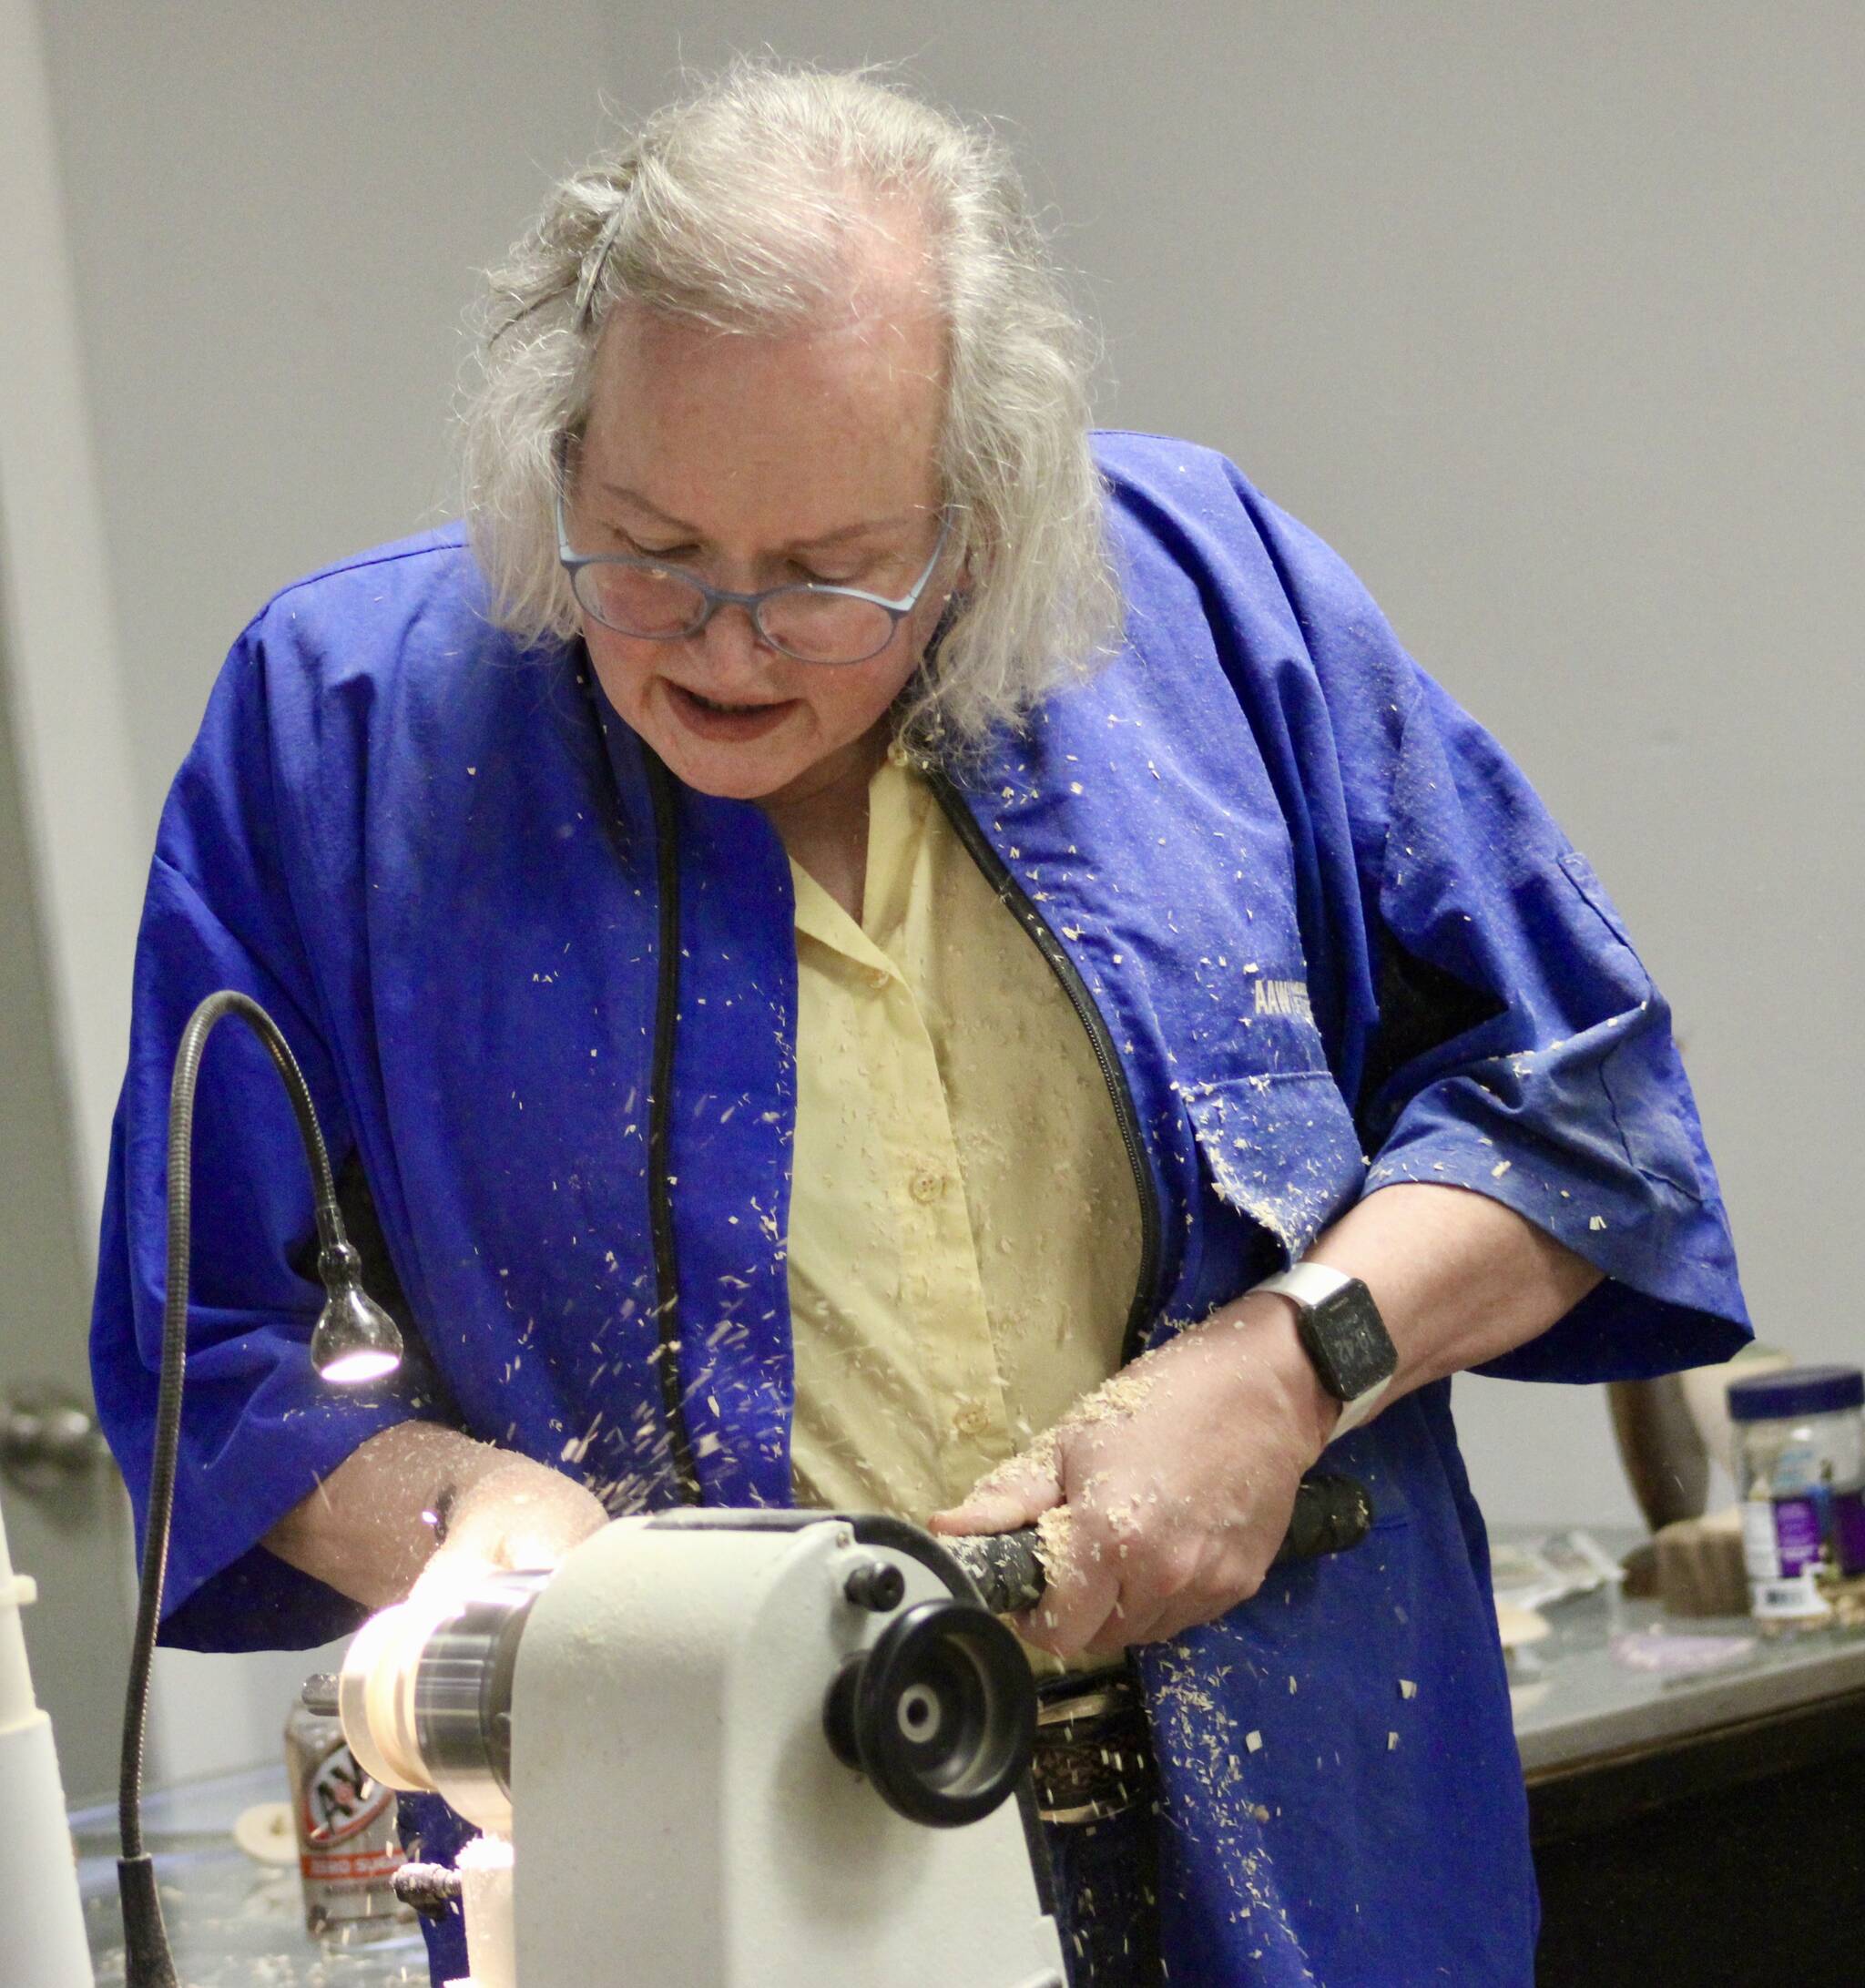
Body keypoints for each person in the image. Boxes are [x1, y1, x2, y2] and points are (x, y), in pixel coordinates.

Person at [91, 65, 1747, 1987]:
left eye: (820, 577)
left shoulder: (1215, 607)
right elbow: (210, 1351)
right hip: (702, 1874)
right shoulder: (340, 732)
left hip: (1316, 1844)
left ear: (977, 516)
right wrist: (458, 1521)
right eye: (645, 545)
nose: (720, 646)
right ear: (553, 437)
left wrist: (1292, 1367)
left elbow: (1578, 1107)